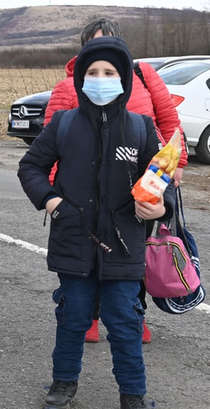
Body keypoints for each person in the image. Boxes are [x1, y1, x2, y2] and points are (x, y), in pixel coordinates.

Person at [18, 36, 176, 409]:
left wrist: (161, 208)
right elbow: (31, 167)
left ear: (123, 79)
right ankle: (63, 383)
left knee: (125, 323)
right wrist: (52, 201)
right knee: (72, 316)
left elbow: (161, 182)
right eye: (92, 72)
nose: (100, 78)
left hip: (125, 246)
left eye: (109, 72)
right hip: (73, 241)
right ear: (80, 79)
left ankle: (133, 394)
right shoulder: (64, 124)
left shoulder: (141, 128)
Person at [44, 17, 187, 343]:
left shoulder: (143, 76)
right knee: (87, 256)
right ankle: (88, 316)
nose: (103, 52)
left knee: (133, 255)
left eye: (110, 43)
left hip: (142, 185)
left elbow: (169, 121)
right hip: (86, 190)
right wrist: (55, 196)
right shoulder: (69, 87)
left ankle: (134, 314)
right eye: (95, 44)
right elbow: (53, 145)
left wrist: (178, 165)